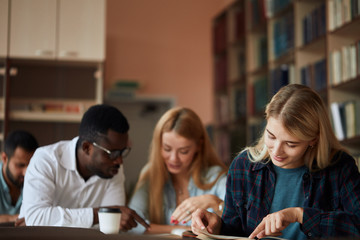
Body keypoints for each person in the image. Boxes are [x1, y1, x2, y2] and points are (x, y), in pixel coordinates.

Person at [191, 84, 360, 239]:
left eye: (291, 144)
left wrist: (299, 215)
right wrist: (216, 224)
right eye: (271, 136)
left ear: (313, 140)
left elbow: (356, 225)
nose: (277, 151)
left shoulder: (340, 167)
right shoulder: (243, 166)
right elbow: (234, 233)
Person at [17, 104, 149, 231]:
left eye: (122, 152)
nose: (119, 161)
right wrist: (100, 215)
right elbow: (37, 218)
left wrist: (49, 221)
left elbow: (109, 229)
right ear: (87, 148)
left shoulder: (113, 169)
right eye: (113, 153)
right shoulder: (46, 160)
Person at [128, 107, 228, 234]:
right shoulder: (151, 174)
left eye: (183, 151)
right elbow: (133, 224)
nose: (174, 159)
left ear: (199, 146)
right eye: (167, 149)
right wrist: (182, 231)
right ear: (158, 145)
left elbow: (240, 221)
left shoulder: (215, 176)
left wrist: (214, 202)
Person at [0, 130, 38, 224]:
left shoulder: (37, 177)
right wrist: (16, 218)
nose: (26, 172)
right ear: (4, 158)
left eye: (30, 166)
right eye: (20, 165)